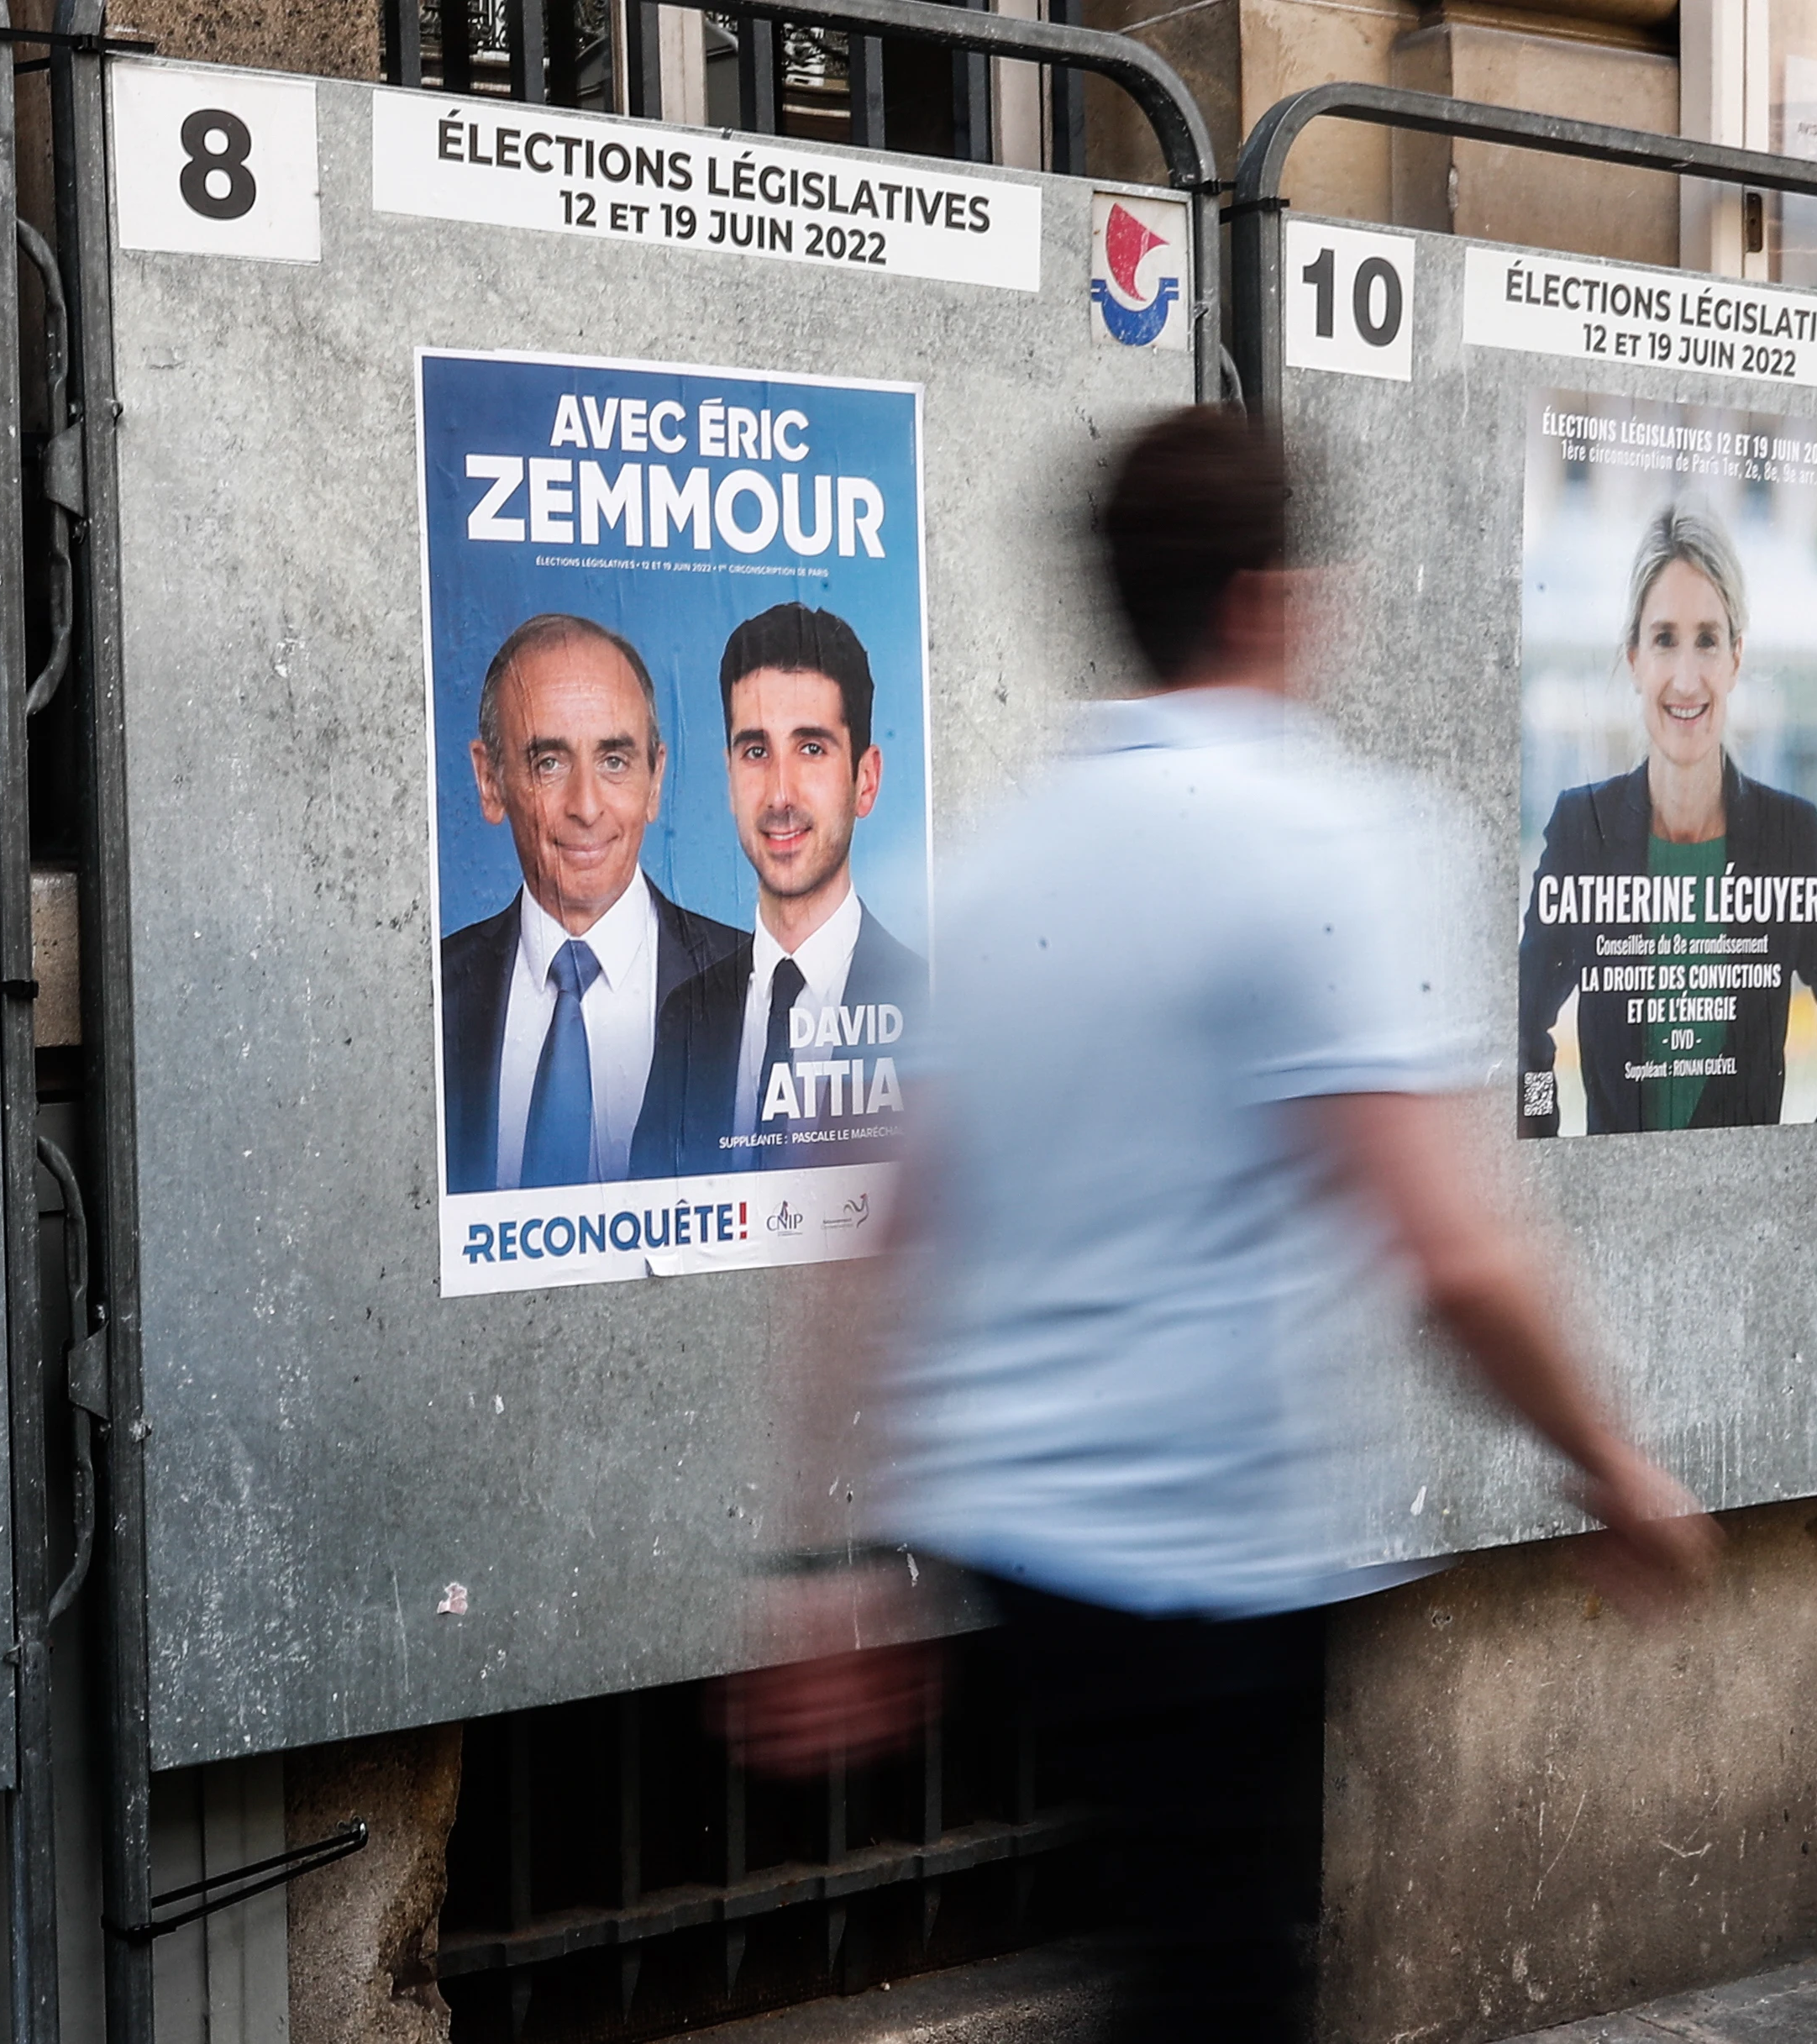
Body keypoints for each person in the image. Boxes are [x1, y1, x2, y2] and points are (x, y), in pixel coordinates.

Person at [731, 408, 1719, 2041]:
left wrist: (827, 1559)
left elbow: (884, 1234)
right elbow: (1446, 1247)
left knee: (1165, 1971)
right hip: (1205, 1570)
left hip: (1021, 1562)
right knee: (1214, 1987)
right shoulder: (1327, 838)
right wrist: (1605, 1460)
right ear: (1272, 596)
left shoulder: (984, 868)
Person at [1515, 503, 1817, 1135]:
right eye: (1664, 639)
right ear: (1633, 657)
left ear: (1734, 659)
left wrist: (1809, 1162)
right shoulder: (1581, 828)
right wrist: (1544, 1145)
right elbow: (1521, 1028)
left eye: (1707, 640)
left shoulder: (1788, 837)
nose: (1686, 679)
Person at [438, 612, 746, 1192]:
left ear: (655, 780)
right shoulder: (429, 996)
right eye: (548, 762)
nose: (585, 806)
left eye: (613, 761)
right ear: (489, 781)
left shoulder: (755, 989)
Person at [637, 603, 926, 1176]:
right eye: (755, 751)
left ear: (864, 781)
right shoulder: (685, 1017)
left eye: (811, 748)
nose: (779, 794)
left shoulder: (927, 1003)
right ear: (728, 776)